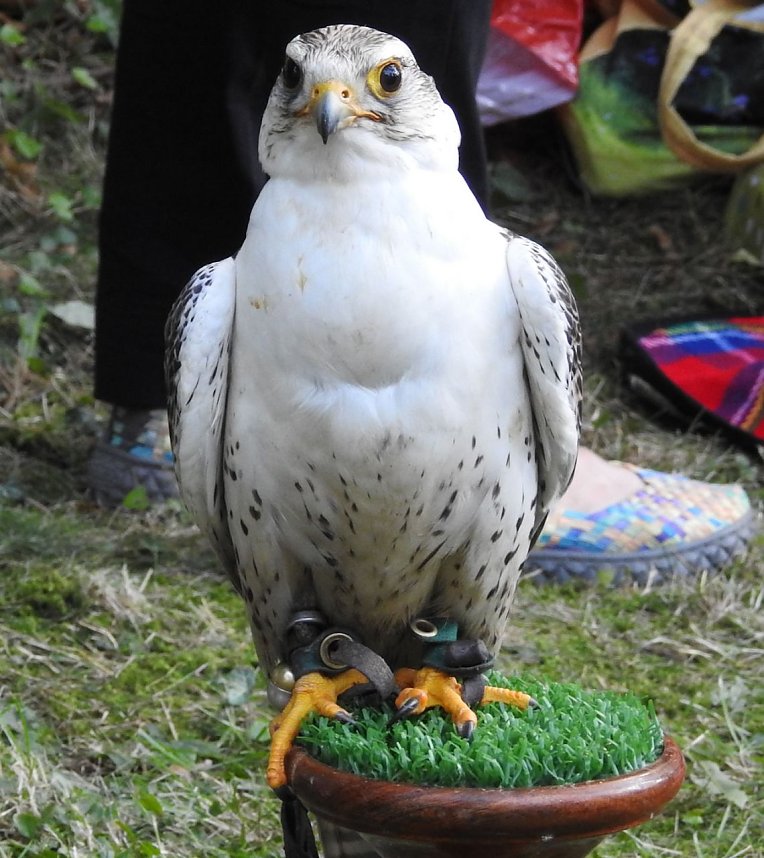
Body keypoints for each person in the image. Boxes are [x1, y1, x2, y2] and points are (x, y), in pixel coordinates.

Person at [89, 0, 754, 591]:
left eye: (384, 82)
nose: (331, 100)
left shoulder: (523, 274)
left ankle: (490, 456)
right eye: (301, 81)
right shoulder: (222, 289)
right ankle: (200, 426)